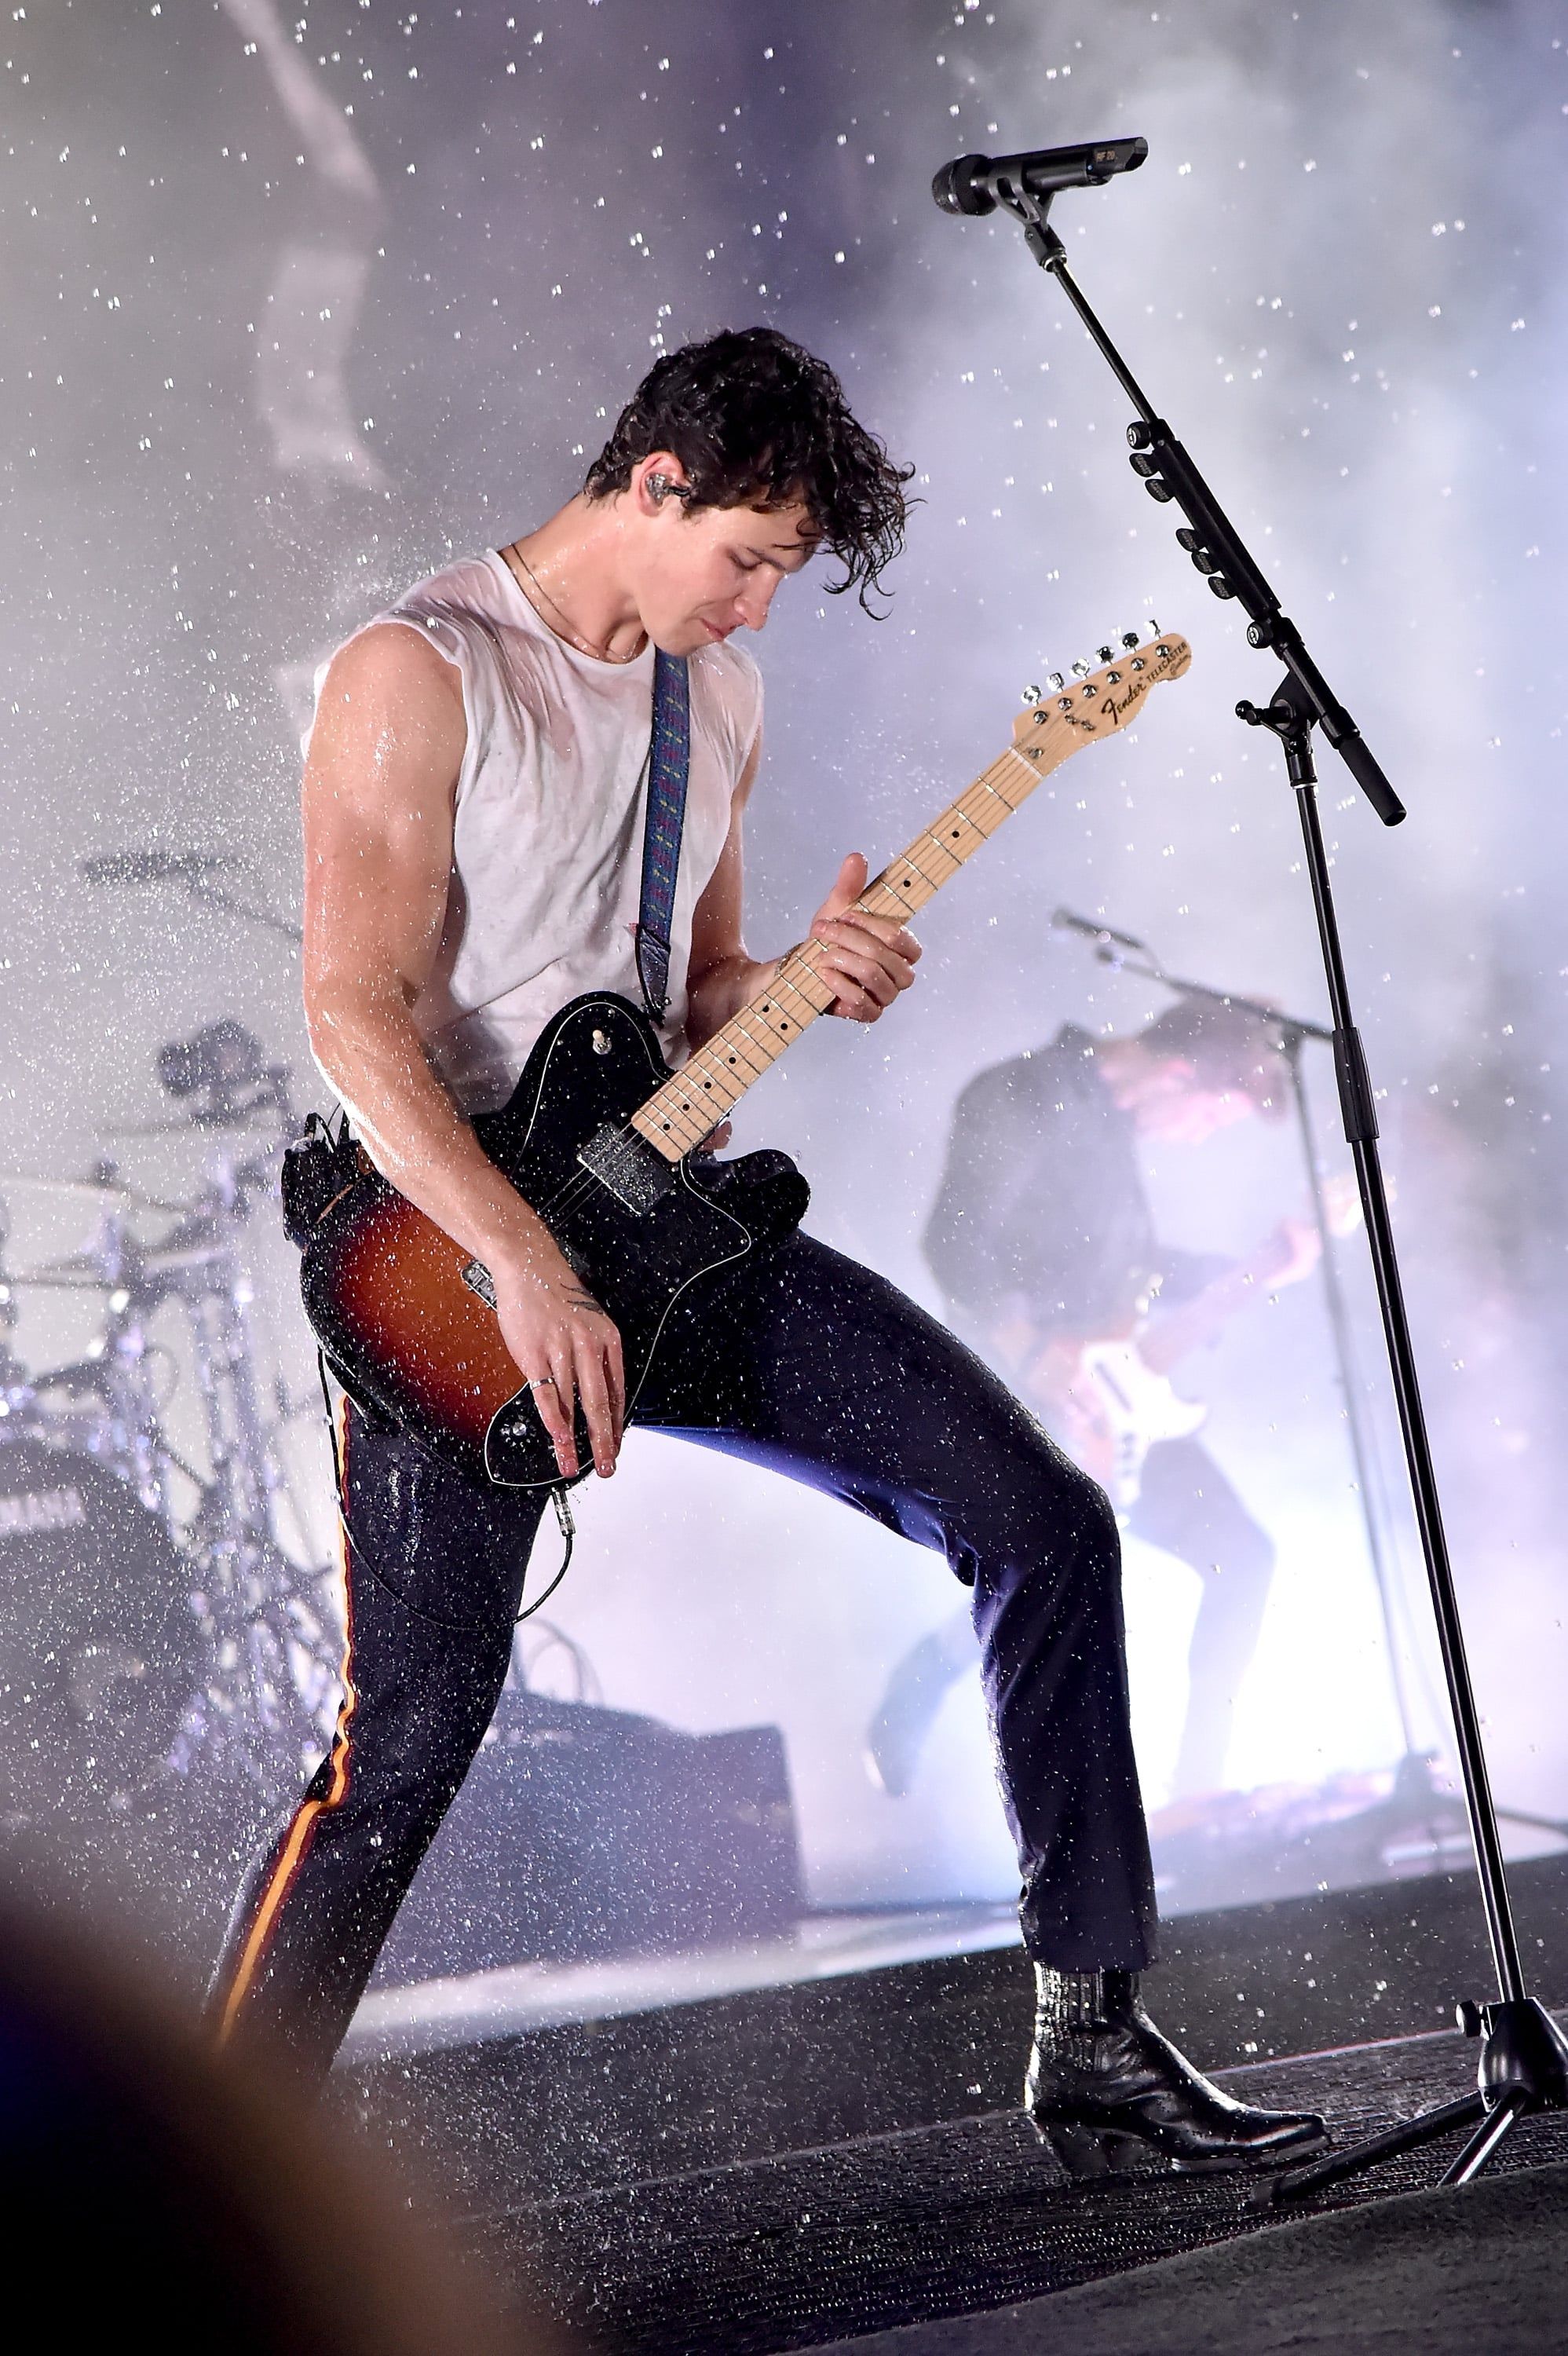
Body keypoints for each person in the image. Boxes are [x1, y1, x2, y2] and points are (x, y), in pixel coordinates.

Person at [207, 327, 1324, 2180]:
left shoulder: (707, 694)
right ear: (650, 481)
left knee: (1047, 1519)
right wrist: (521, 1262)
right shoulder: (421, 668)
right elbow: (353, 1010)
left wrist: (809, 983)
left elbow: (687, 999)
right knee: (410, 1730)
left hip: (659, 1226)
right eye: (745, 554)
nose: (756, 599)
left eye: (780, 573)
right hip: (447, 1256)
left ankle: (1093, 2028)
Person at [879, 1000, 1320, 1803]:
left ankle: (1196, 1798)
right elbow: (953, 1240)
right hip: (1025, 1394)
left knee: (1241, 1558)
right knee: (1057, 1594)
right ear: (1180, 1077)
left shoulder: (1115, 1132)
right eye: (1209, 1118)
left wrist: (1256, 1267)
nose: (1199, 1137)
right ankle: (931, 1682)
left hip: (1116, 1398)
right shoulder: (1019, 1094)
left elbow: (1127, 1268)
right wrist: (1033, 1352)